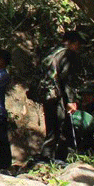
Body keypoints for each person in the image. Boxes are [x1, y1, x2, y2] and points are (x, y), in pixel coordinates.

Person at [38, 31, 84, 162]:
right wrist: (71, 101)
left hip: (47, 95)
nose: (78, 48)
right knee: (60, 127)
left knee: (51, 128)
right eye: (78, 45)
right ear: (73, 43)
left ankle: (47, 158)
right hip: (57, 96)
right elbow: (67, 80)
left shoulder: (51, 52)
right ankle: (53, 158)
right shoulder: (67, 54)